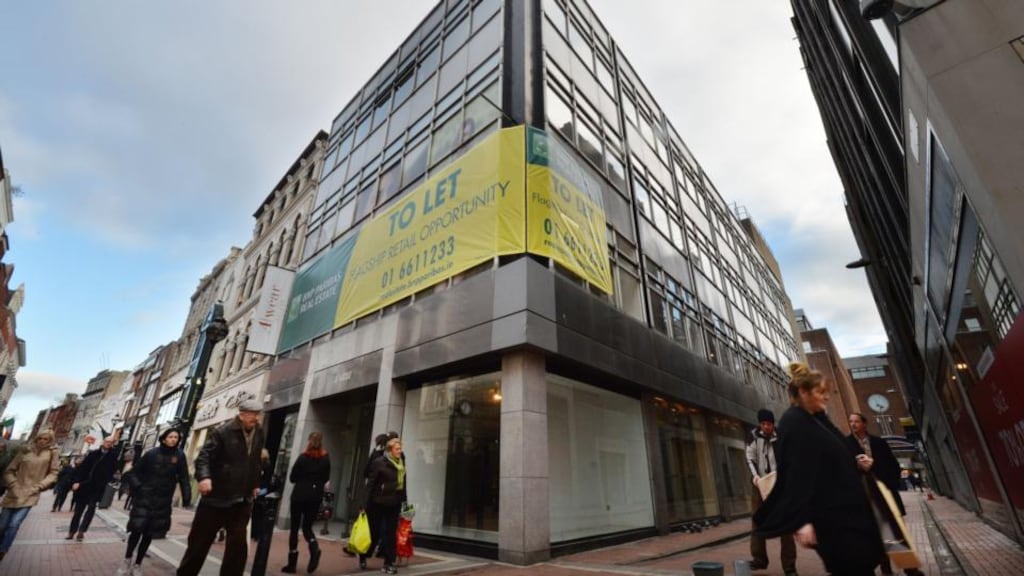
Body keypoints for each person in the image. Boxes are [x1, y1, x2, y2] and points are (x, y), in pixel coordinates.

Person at [754, 362, 883, 576]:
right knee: (852, 566)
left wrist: (859, 463)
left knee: (863, 564)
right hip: (831, 518)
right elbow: (795, 474)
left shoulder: (819, 420)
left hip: (850, 512)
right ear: (803, 392)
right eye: (820, 392)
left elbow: (839, 454)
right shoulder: (793, 422)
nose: (826, 397)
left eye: (826, 392)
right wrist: (802, 521)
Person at [177, 399, 265, 576]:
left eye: (257, 415)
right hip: (217, 497)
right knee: (199, 544)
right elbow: (203, 457)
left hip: (242, 498)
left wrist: (255, 483)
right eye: (252, 415)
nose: (256, 418)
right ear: (241, 414)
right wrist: (204, 477)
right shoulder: (223, 431)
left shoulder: (259, 432)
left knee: (238, 547)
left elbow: (255, 461)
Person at [845, 413, 917, 576]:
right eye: (851, 422)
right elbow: (844, 472)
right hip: (864, 497)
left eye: (857, 421)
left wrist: (874, 466)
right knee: (876, 535)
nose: (853, 424)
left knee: (895, 532)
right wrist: (857, 467)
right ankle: (886, 569)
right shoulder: (846, 444)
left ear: (864, 424)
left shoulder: (879, 443)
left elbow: (893, 467)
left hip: (884, 494)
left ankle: (910, 568)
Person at [117, 428, 192, 576]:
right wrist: (139, 487)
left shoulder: (180, 456)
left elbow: (184, 477)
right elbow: (134, 473)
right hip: (144, 498)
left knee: (149, 533)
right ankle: (127, 560)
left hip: (162, 501)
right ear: (164, 438)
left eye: (176, 437)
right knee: (136, 530)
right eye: (170, 436)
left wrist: (187, 497)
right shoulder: (151, 454)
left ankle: (138, 564)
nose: (174, 439)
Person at [746, 408, 797, 575]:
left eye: (769, 424)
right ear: (760, 424)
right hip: (760, 483)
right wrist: (755, 477)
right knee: (757, 520)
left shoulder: (781, 436)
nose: (766, 427)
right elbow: (750, 457)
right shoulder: (753, 436)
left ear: (773, 424)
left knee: (785, 523)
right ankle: (759, 559)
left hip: (779, 484)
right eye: (763, 424)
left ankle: (789, 566)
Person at [0, 430, 59, 562]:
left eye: (46, 439)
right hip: (14, 492)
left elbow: (54, 473)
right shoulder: (25, 451)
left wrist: (39, 486)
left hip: (31, 493)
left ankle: (3, 550)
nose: (42, 441)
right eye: (40, 438)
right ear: (36, 438)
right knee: (2, 525)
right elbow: (9, 470)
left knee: (14, 524)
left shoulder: (51, 453)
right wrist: (13, 484)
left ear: (50, 441)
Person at [282, 432, 331, 574]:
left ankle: (292, 564)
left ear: (309, 441)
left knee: (294, 527)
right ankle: (314, 548)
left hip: (299, 495)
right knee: (307, 527)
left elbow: (292, 477)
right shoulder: (325, 458)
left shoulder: (303, 458)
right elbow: (326, 477)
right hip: (315, 497)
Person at [362, 437, 406, 574]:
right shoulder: (379, 463)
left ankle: (389, 563)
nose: (400, 451)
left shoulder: (401, 463)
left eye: (400, 448)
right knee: (374, 533)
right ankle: (364, 555)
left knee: (390, 533)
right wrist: (364, 504)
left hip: (394, 503)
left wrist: (405, 503)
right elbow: (370, 484)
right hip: (378, 503)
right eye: (397, 449)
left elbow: (403, 485)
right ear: (390, 450)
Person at [67, 435, 120, 541]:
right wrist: (76, 482)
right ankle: (72, 532)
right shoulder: (93, 454)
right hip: (85, 486)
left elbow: (113, 470)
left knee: (90, 510)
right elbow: (82, 469)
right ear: (103, 442)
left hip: (97, 488)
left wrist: (107, 480)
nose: (108, 443)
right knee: (78, 511)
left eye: (111, 442)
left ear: (112, 444)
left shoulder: (113, 456)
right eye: (107, 441)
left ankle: (81, 531)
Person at [352, 433, 389, 563]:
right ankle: (366, 553)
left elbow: (366, 473)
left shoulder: (375, 455)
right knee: (377, 529)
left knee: (372, 528)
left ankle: (364, 553)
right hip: (382, 498)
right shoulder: (385, 457)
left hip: (373, 498)